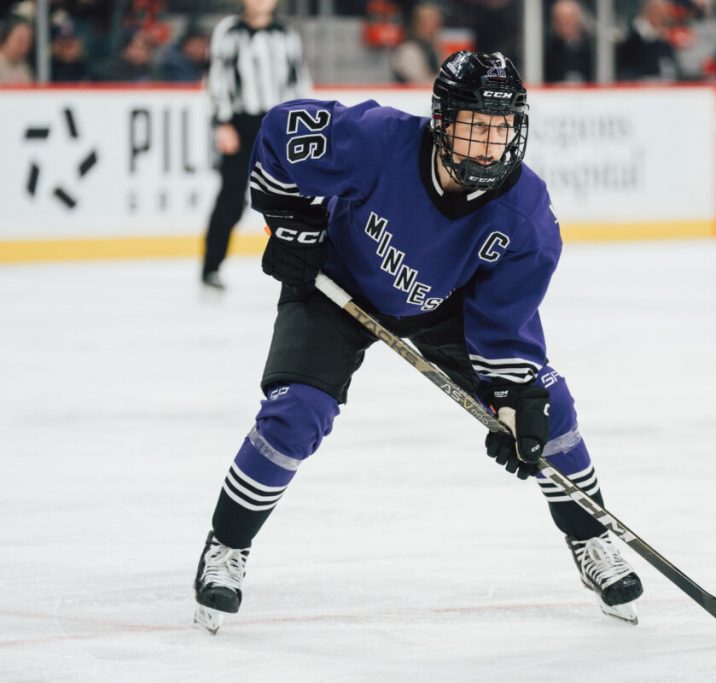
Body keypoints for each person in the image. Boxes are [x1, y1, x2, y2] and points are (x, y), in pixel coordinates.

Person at [192, 51, 645, 634]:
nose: (488, 145)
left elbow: (504, 326)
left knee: (548, 410)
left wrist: (513, 400)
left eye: (500, 128)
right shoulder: (379, 140)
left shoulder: (525, 216)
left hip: (442, 306)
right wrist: (292, 225)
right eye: (474, 126)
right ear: (441, 120)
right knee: (295, 414)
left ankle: (592, 539)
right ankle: (226, 546)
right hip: (336, 282)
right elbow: (281, 133)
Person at [202, 0, 311, 291]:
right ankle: (210, 269)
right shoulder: (229, 31)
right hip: (241, 124)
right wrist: (222, 122)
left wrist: (302, 123)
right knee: (231, 198)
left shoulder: (286, 34)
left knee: (293, 200)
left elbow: (298, 80)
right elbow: (217, 77)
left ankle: (301, 270)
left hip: (278, 125)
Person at [616, 0, 681, 82]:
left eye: (663, 14)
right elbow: (626, 72)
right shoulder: (632, 40)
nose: (662, 18)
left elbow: (672, 70)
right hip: (641, 89)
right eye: (658, 13)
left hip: (664, 88)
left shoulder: (665, 42)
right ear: (649, 12)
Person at [390, 1, 442, 84]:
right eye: (427, 23)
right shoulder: (407, 49)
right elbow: (417, 82)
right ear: (417, 24)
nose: (433, 28)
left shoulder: (436, 48)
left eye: (436, 23)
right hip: (409, 95)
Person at [544, 0, 594, 84]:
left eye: (569, 20)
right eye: (560, 21)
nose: (564, 25)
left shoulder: (594, 51)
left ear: (579, 20)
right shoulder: (547, 52)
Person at [0, 16, 33, 84]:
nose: (25, 48)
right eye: (20, 41)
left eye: (27, 42)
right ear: (5, 38)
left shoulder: (24, 66)